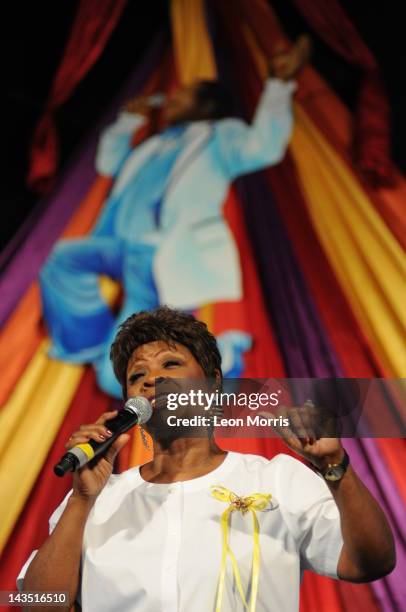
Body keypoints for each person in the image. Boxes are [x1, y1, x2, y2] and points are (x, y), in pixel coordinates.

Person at [19, 306, 395, 612]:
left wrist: (335, 469)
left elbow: (371, 563)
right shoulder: (96, 500)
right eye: (138, 375)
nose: (152, 381)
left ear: (213, 382)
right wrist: (83, 499)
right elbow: (37, 605)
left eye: (170, 365)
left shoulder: (276, 480)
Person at [39, 37, 311, 398]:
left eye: (184, 95)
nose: (173, 99)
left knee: (113, 378)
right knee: (62, 259)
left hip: (165, 259)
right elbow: (108, 163)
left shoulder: (219, 137)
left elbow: (264, 145)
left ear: (206, 105)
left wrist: (278, 85)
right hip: (119, 245)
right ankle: (88, 341)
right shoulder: (153, 143)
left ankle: (223, 357)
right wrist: (127, 123)